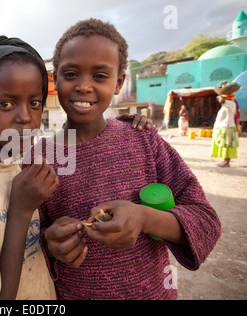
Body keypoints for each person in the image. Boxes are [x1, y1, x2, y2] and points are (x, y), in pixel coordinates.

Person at [0, 36, 152, 300]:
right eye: (6, 104)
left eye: (34, 103)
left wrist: (48, 240)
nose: (25, 117)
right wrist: (22, 211)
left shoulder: (19, 166)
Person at [32, 18, 221, 300]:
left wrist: (145, 218)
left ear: (119, 82)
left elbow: (205, 219)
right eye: (71, 74)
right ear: (55, 80)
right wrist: (47, 243)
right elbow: (26, 236)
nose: (84, 86)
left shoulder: (144, 140)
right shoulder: (38, 160)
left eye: (99, 76)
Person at [211, 94, 240, 167]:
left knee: (227, 145)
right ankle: (225, 160)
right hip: (223, 127)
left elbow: (222, 100)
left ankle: (226, 161)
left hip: (227, 127)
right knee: (224, 145)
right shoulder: (225, 106)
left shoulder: (231, 103)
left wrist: (220, 96)